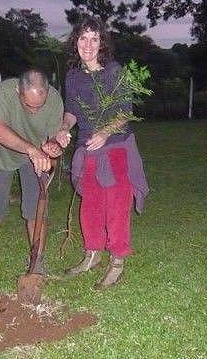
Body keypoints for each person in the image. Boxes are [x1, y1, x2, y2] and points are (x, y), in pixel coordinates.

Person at [53, 16, 148, 289]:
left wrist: (105, 132)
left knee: (117, 206)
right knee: (91, 204)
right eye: (83, 38)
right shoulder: (72, 77)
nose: (88, 44)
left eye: (94, 39)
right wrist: (63, 128)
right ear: (76, 43)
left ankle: (117, 260)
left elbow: (125, 111)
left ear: (102, 43)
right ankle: (92, 255)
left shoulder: (113, 72)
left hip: (115, 147)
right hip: (86, 148)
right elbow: (71, 111)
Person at [0, 68, 64, 273]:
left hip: (35, 156)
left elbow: (54, 142)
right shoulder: (4, 91)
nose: (35, 111)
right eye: (29, 105)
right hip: (2, 152)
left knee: (36, 204)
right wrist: (31, 150)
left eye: (40, 106)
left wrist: (53, 149)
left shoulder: (54, 99)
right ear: (18, 90)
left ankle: (37, 259)